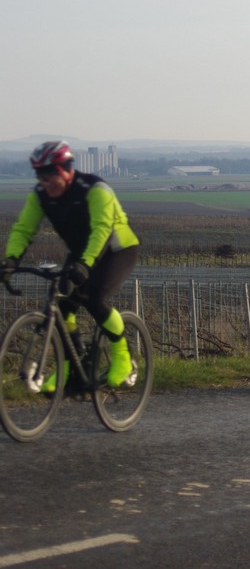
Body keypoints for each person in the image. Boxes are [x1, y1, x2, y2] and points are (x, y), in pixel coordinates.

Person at [1, 140, 141, 390]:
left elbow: (102, 229)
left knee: (93, 298)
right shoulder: (41, 196)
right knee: (63, 306)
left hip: (117, 249)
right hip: (81, 253)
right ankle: (71, 368)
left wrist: (85, 265)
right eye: (41, 176)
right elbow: (23, 229)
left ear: (66, 170)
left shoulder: (94, 189)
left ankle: (123, 356)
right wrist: (11, 259)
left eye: (51, 175)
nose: (46, 182)